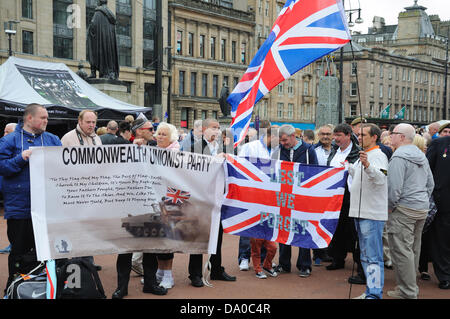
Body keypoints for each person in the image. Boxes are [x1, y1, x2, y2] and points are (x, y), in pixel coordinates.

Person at [0, 104, 61, 293]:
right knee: (18, 252)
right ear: (29, 118)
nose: (46, 121)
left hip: (47, 208)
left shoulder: (52, 139)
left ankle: (42, 289)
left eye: (47, 118)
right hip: (20, 208)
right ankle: (13, 288)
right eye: (42, 118)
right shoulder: (9, 141)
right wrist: (21, 158)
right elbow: (2, 168)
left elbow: (63, 166)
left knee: (46, 252)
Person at [112, 118, 167, 298]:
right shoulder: (121, 147)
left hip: (150, 203)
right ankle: (122, 287)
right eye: (150, 128)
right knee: (126, 249)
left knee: (150, 247)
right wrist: (131, 147)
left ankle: (150, 284)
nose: (154, 131)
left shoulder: (155, 149)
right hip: (128, 203)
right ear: (139, 131)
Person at [386, 123, 434, 299]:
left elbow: (393, 188)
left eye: (393, 133)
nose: (390, 136)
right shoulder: (420, 155)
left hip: (404, 209)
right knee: (413, 250)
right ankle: (407, 288)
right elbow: (430, 184)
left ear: (401, 137)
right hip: (421, 208)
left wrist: (390, 207)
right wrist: (421, 199)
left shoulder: (399, 157)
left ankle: (407, 291)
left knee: (401, 250)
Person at [188, 118, 236, 286]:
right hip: (201, 197)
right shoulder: (195, 148)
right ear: (204, 129)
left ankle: (216, 269)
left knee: (218, 235)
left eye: (218, 128)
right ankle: (194, 274)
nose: (216, 131)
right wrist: (216, 158)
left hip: (219, 197)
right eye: (213, 128)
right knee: (199, 236)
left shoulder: (225, 148)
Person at [272, 124, 318, 278]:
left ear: (293, 136)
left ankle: (305, 265)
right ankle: (284, 264)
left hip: (302, 197)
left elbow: (315, 172)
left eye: (285, 140)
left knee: (302, 230)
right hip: (284, 197)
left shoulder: (308, 150)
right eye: (281, 140)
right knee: (284, 229)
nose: (283, 143)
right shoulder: (278, 151)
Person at [349, 124, 388, 299]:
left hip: (370, 214)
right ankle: (370, 291)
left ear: (374, 137)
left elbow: (381, 178)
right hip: (361, 212)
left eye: (363, 134)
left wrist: (367, 165)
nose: (359, 137)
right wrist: (349, 168)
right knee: (366, 256)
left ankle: (374, 293)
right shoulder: (364, 156)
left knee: (372, 256)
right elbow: (360, 177)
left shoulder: (378, 156)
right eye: (358, 134)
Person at [325, 123, 365, 286]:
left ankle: (357, 260)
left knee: (353, 229)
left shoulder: (356, 152)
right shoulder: (334, 150)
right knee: (337, 226)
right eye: (335, 136)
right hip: (334, 195)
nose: (336, 139)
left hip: (350, 195)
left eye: (339, 135)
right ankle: (337, 258)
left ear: (349, 135)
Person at [237, 122, 278, 271]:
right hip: (252, 192)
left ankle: (264, 258)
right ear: (271, 136)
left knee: (267, 226)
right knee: (248, 224)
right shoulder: (250, 146)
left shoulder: (276, 149)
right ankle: (244, 257)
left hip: (270, 194)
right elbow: (240, 166)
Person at [154, 122, 180, 289]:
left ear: (171, 138)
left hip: (169, 201)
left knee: (166, 239)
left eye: (164, 134)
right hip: (155, 199)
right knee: (156, 237)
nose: (160, 136)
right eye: (159, 133)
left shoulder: (176, 154)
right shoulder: (153, 151)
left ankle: (168, 275)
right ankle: (160, 271)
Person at [426, 132, 450, 290]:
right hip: (443, 203)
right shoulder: (439, 144)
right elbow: (427, 171)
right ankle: (445, 276)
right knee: (443, 241)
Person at [312, 124, 335, 265]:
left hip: (335, 192)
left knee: (332, 222)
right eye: (322, 134)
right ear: (318, 135)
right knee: (318, 223)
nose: (325, 136)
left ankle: (331, 252)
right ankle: (318, 253)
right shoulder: (312, 150)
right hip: (318, 192)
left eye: (328, 134)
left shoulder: (338, 150)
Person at [87, 0, 119, 80]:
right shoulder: (110, 14)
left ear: (100, 2)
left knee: (92, 50)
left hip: (100, 41)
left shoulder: (98, 12)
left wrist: (90, 29)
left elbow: (93, 25)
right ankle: (108, 72)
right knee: (106, 56)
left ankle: (94, 72)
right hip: (108, 43)